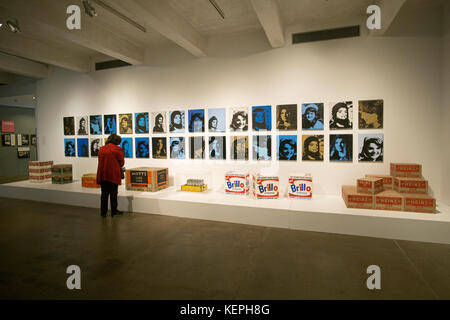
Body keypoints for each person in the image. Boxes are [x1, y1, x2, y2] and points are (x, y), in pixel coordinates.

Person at [96, 134, 125, 218]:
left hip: (103, 174)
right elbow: (121, 162)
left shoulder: (102, 149)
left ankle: (103, 213)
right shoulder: (117, 149)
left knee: (104, 194)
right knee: (113, 194)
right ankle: (114, 211)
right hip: (112, 174)